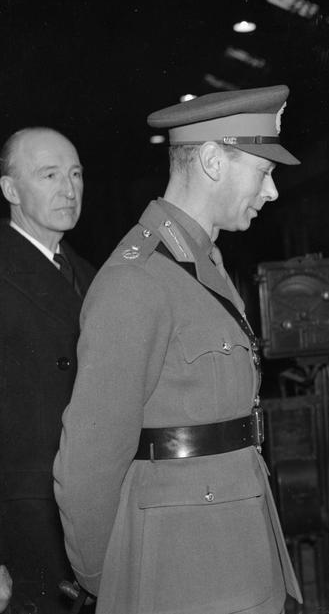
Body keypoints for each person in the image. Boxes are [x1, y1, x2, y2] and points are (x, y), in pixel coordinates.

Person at [53, 86, 302, 614]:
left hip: (238, 549)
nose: (272, 190)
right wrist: (108, 574)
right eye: (263, 171)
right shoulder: (137, 280)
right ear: (213, 160)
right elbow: (89, 461)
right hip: (182, 570)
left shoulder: (203, 266)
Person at [0, 127, 96, 612]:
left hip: (85, 508)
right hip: (22, 521)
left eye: (75, 174)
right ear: (11, 190)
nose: (68, 189)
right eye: (49, 175)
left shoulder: (92, 275)